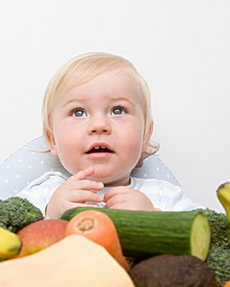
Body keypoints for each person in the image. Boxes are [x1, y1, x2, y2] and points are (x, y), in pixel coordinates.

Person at [17, 52, 201, 219]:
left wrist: (154, 218)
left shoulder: (164, 197)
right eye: (78, 112)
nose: (99, 125)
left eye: (118, 110)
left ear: (145, 136)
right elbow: (2, 242)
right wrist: (49, 216)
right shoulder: (43, 196)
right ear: (52, 140)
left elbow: (208, 239)